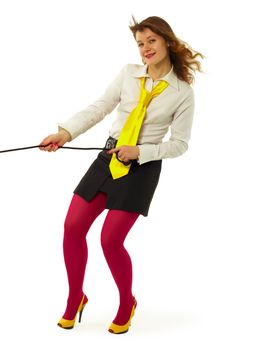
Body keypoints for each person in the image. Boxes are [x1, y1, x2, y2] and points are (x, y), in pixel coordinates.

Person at [40, 16, 203, 334]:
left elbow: (180, 144)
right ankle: (76, 297)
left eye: (151, 41)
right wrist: (65, 132)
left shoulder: (183, 92)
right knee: (72, 226)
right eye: (140, 43)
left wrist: (141, 152)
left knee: (110, 240)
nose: (145, 48)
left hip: (142, 166)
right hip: (109, 156)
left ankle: (127, 301)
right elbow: (100, 106)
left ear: (167, 41)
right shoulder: (129, 74)